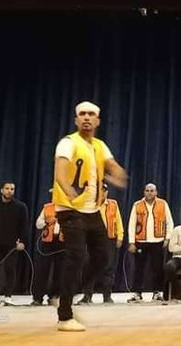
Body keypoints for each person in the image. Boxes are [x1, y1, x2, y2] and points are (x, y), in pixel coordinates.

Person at [52, 101, 127, 332]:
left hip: (92, 211)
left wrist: (116, 174)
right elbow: (60, 173)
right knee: (75, 258)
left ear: (97, 121)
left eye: (91, 114)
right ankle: (64, 316)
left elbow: (113, 166)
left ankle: (64, 293)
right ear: (76, 120)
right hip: (70, 209)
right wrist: (69, 191)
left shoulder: (100, 146)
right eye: (82, 114)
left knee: (103, 257)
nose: (86, 117)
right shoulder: (68, 143)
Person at [127, 183, 173, 303]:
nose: (149, 193)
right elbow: (132, 224)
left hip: (157, 241)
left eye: (152, 190)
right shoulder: (137, 205)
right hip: (141, 241)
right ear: (144, 192)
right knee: (139, 268)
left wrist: (167, 238)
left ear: (156, 192)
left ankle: (157, 292)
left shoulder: (163, 204)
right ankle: (137, 293)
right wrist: (131, 242)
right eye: (147, 190)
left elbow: (169, 222)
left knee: (157, 268)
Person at [77, 183, 123, 304]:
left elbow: (118, 221)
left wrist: (120, 237)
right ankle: (87, 295)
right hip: (93, 239)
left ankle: (107, 296)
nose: (103, 193)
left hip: (109, 238)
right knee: (90, 266)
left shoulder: (113, 204)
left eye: (105, 191)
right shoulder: (90, 204)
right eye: (101, 190)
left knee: (109, 267)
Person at [32, 190, 64, 307]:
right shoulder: (47, 208)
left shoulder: (68, 209)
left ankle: (54, 296)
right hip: (47, 242)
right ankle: (37, 297)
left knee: (60, 271)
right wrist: (46, 221)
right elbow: (38, 224)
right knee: (42, 270)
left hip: (62, 242)